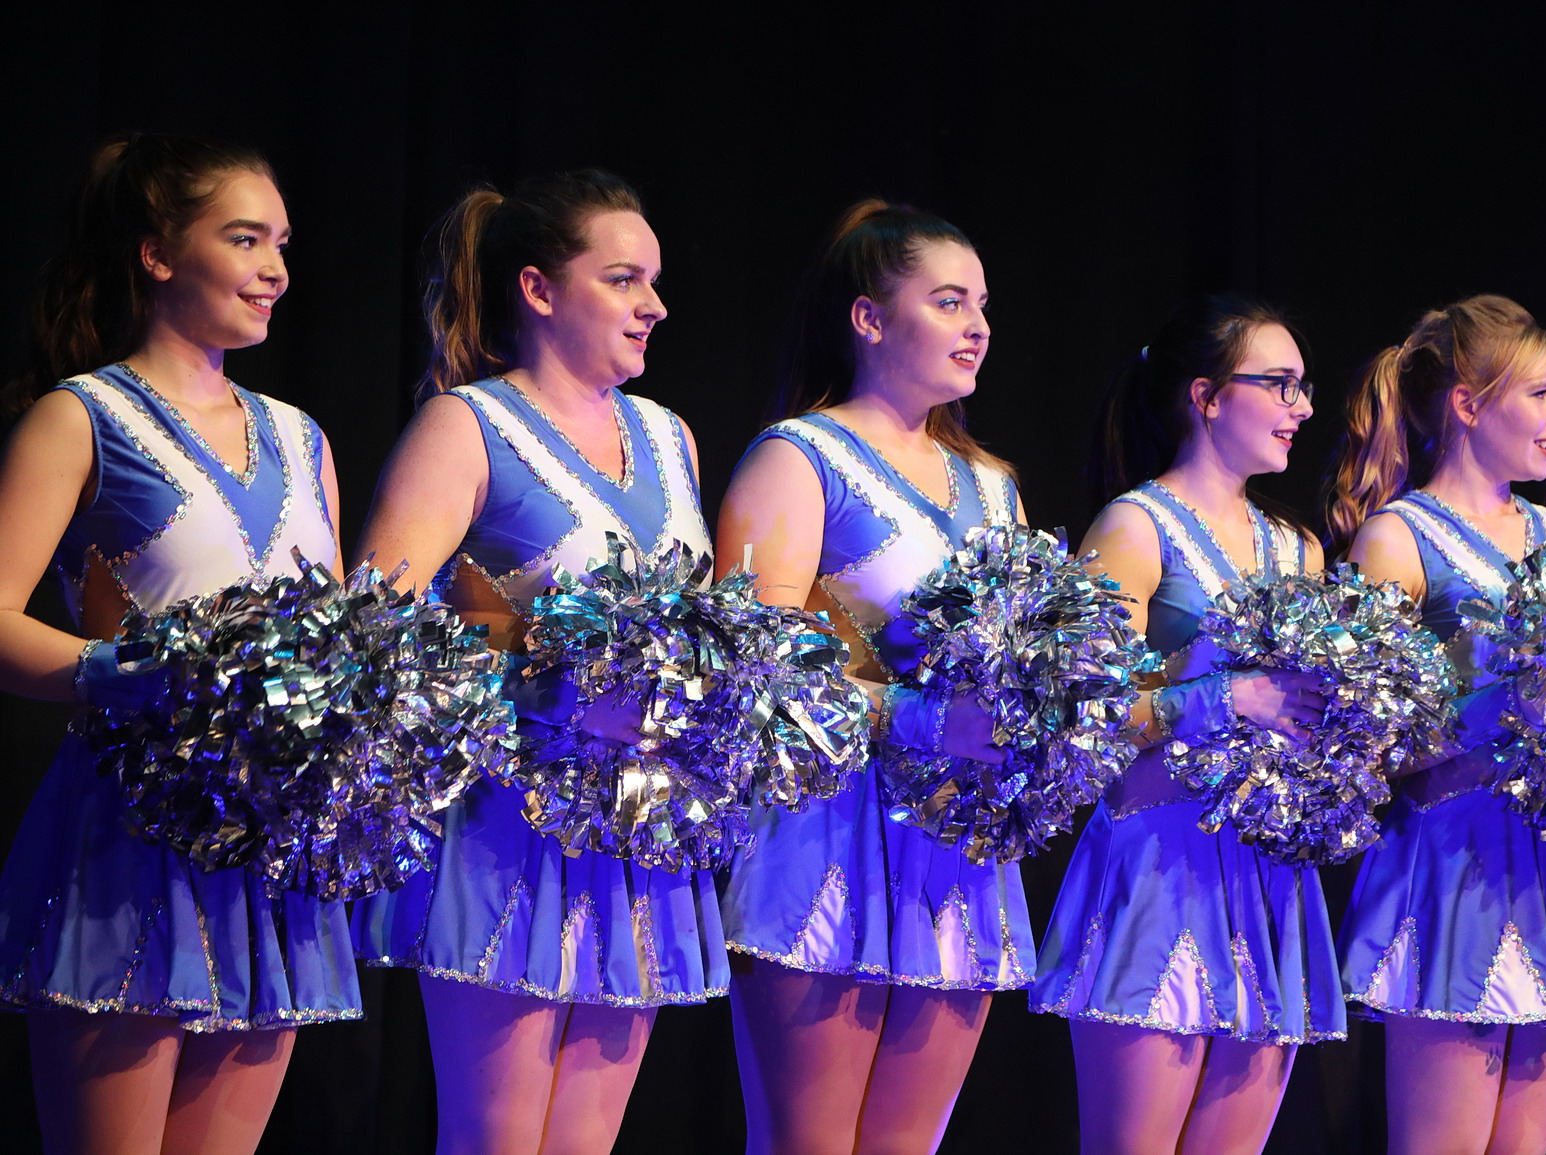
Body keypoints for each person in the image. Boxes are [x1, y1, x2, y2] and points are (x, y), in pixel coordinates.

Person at [346, 170, 726, 1155]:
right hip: (506, 828)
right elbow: (370, 641)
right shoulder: (469, 425)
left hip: (636, 834)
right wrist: (554, 690)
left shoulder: (670, 438)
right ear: (539, 290)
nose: (654, 305)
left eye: (653, 281)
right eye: (623, 279)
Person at [0, 133, 359, 1154]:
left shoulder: (302, 438)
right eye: (243, 239)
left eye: (280, 243)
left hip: (273, 847)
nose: (273, 268)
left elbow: (335, 637)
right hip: (132, 831)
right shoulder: (83, 417)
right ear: (157, 254)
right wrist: (117, 673)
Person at [717, 200, 1032, 1155]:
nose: (977, 326)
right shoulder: (800, 456)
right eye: (948, 301)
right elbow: (754, 670)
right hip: (826, 830)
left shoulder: (994, 485)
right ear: (868, 317)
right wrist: (921, 717)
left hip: (957, 843)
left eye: (982, 304)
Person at [1326, 294, 1546, 1154]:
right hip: (1454, 868)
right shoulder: (1397, 539)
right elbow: (1363, 743)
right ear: (1469, 404)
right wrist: (1504, 708)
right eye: (1539, 394)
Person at [1028, 295, 1340, 1155]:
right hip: (1158, 864)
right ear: (1206, 396)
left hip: (1268, 878)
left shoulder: (1300, 549)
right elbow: (1081, 713)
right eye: (1279, 383)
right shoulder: (1136, 526)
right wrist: (1222, 698)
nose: (1301, 406)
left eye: (1304, 386)